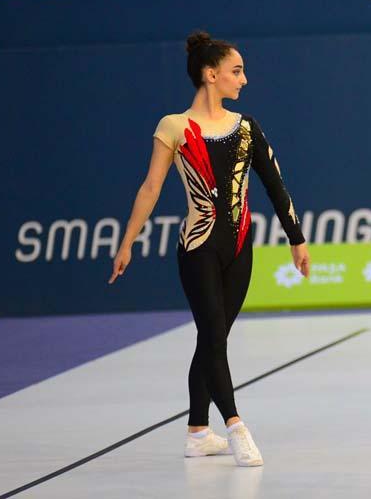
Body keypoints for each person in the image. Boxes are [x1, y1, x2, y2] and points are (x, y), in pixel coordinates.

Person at [109, 31, 310, 466]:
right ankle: (236, 426)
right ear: (210, 74)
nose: (244, 79)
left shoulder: (247, 127)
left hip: (239, 248)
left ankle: (198, 432)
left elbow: (275, 185)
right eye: (237, 71)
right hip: (198, 245)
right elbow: (150, 188)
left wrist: (296, 238)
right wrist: (127, 243)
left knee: (212, 338)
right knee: (214, 335)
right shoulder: (174, 126)